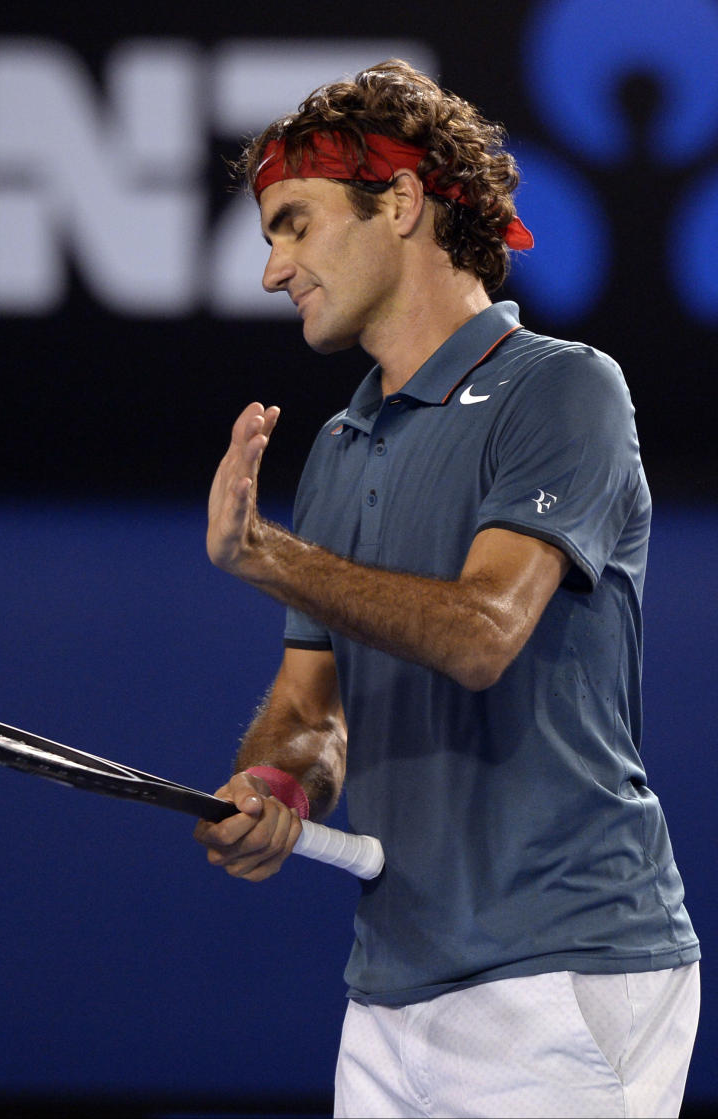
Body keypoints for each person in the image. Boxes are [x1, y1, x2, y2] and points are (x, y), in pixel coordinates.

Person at [193, 59, 700, 1118]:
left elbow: (483, 633)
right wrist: (281, 789)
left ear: (403, 203)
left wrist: (266, 556)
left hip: (561, 974)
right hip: (389, 990)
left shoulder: (563, 388)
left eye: (294, 224)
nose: (271, 270)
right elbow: (308, 711)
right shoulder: (338, 446)